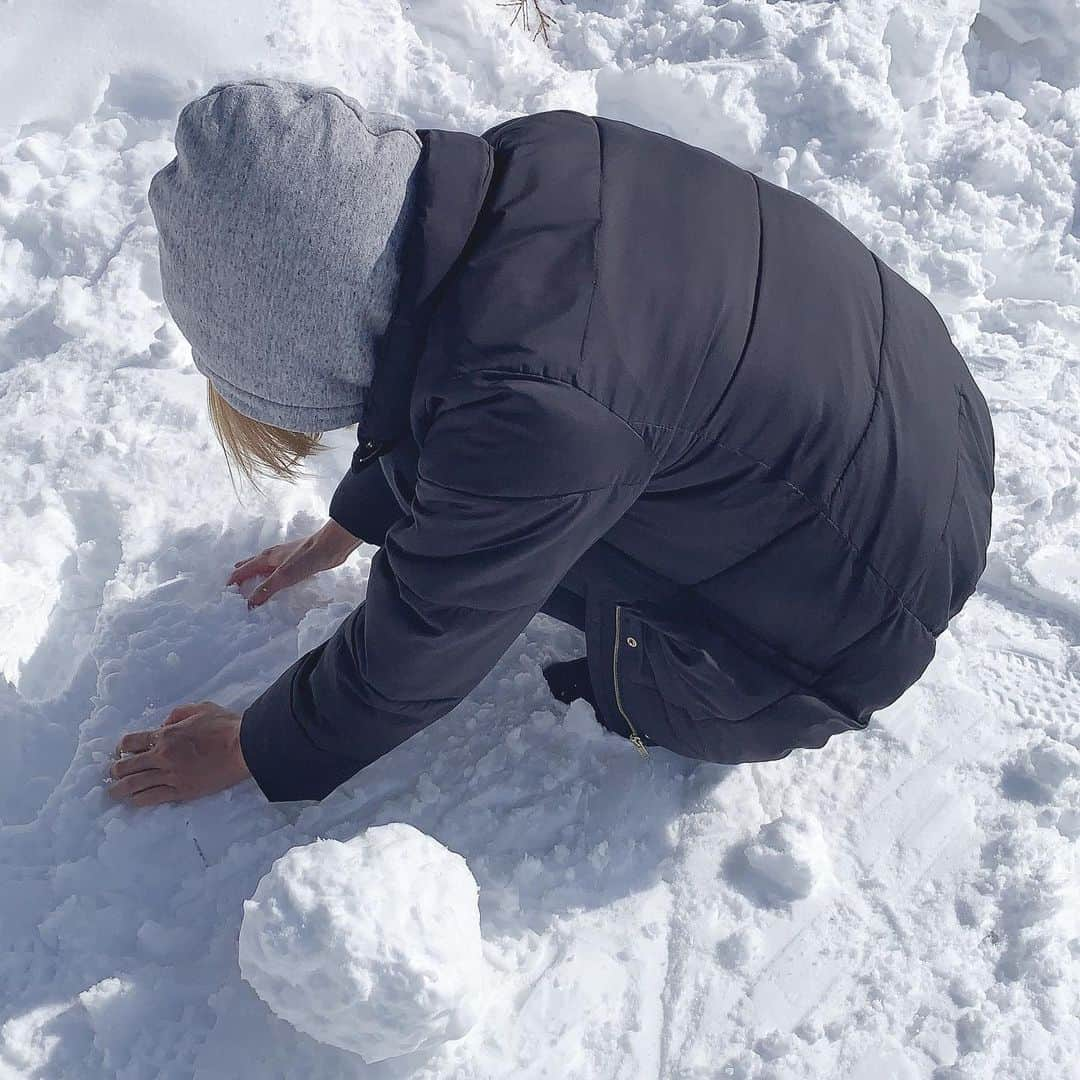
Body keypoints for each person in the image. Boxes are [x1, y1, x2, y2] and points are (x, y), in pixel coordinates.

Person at [108, 79, 994, 807]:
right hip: (934, 412)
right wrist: (353, 522)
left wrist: (254, 745)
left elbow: (426, 638)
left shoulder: (532, 410)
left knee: (518, 541)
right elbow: (457, 361)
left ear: (313, 338)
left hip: (855, 621)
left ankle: (691, 689)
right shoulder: (536, 159)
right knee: (552, 466)